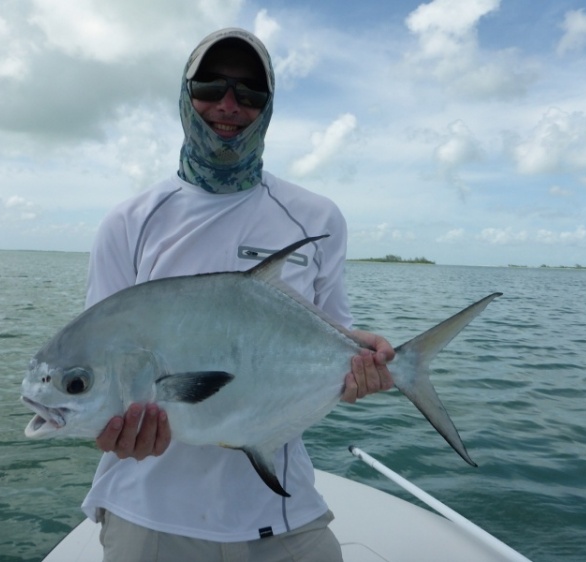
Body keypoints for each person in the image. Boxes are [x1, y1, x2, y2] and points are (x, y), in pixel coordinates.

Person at [81, 27, 395, 562]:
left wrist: (365, 368)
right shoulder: (130, 222)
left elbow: (334, 352)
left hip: (281, 507)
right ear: (185, 93)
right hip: (149, 511)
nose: (229, 105)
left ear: (268, 108)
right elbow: (99, 369)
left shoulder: (315, 218)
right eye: (211, 86)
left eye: (250, 93)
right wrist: (105, 430)